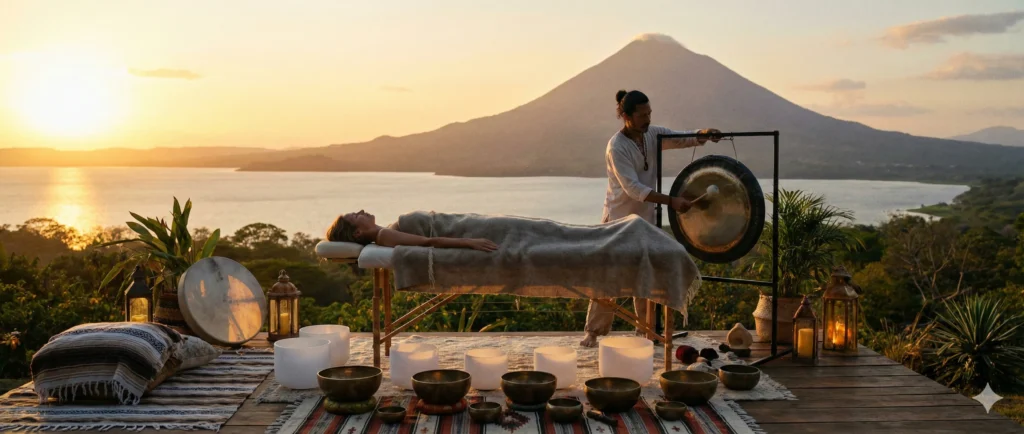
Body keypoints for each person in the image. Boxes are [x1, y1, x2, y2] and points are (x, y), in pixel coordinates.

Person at [579, 89, 721, 348]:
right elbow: (633, 189)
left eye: (649, 113)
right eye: (642, 115)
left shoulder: (652, 134)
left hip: (645, 219)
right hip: (618, 220)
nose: (647, 119)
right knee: (608, 276)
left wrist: (702, 135)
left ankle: (644, 331)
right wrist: (672, 201)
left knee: (645, 275)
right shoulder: (617, 147)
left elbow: (679, 139)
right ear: (625, 116)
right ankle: (593, 331)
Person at [326, 209, 498, 251]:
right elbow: (428, 241)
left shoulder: (385, 231)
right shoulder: (384, 235)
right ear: (357, 233)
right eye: (356, 216)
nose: (362, 211)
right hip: (466, 229)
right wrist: (470, 242)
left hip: (463, 223)